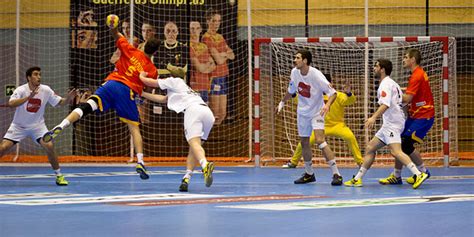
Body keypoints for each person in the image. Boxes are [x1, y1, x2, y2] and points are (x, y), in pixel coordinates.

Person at [43, 16, 160, 180]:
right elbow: (147, 88)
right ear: (155, 52)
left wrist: (112, 25)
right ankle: (140, 161)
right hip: (127, 91)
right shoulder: (153, 70)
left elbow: (115, 33)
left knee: (88, 105)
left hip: (111, 83)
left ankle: (62, 125)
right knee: (134, 128)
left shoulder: (131, 50)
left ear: (144, 45)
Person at [343, 58, 429, 189]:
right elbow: (403, 103)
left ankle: (419, 173)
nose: (374, 68)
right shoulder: (393, 84)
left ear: (382, 69)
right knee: (370, 148)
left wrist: (373, 118)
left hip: (392, 124)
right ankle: (357, 179)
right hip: (390, 122)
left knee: (396, 152)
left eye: (376, 66)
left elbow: (385, 104)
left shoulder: (385, 85)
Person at [139, 72, 215, 192]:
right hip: (208, 113)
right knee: (195, 149)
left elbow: (151, 82)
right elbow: (163, 99)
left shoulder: (173, 80)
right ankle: (186, 178)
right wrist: (142, 93)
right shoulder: (181, 90)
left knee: (194, 144)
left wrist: (140, 76)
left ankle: (205, 165)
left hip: (193, 111)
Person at [277, 49, 343, 186]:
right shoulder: (294, 73)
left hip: (317, 113)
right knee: (304, 142)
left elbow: (333, 93)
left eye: (297, 58)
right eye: (295, 58)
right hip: (302, 113)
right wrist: (282, 102)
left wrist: (327, 105)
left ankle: (337, 174)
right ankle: (309, 173)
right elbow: (291, 91)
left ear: (305, 61)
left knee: (320, 140)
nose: (294, 60)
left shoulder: (316, 75)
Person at [0, 67, 76, 186]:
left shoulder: (46, 90)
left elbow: (60, 102)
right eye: (35, 74)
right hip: (18, 126)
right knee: (3, 148)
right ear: (29, 77)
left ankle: (59, 175)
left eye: (40, 74)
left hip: (37, 127)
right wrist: (28, 98)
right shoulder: (21, 90)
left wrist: (68, 99)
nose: (39, 77)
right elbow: (11, 103)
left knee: (49, 146)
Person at [379, 48, 434, 185]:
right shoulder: (416, 74)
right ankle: (397, 176)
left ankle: (422, 172)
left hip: (423, 115)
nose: (403, 60)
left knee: (405, 143)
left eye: (405, 57)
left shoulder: (417, 75)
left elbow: (407, 98)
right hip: (415, 115)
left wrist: (391, 95)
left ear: (412, 60)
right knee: (399, 142)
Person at [282, 79, 363, 169]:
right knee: (305, 142)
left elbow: (350, 101)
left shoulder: (338, 95)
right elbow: (300, 101)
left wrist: (348, 93)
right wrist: (293, 93)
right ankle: (293, 162)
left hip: (338, 125)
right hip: (320, 126)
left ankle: (360, 162)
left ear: (330, 84)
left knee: (350, 137)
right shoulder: (314, 96)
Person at [202, 9, 235, 125]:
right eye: (213, 21)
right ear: (207, 21)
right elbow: (219, 60)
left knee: (222, 114)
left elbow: (233, 55)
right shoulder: (206, 38)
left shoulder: (220, 37)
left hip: (223, 76)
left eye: (218, 21)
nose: (216, 24)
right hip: (213, 77)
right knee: (214, 114)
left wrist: (222, 54)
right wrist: (224, 54)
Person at [189, 20, 216, 103]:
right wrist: (207, 65)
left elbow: (214, 66)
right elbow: (199, 68)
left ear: (200, 30)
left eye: (197, 28)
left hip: (205, 86)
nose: (194, 31)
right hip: (194, 86)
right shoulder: (188, 46)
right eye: (192, 28)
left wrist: (204, 67)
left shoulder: (204, 46)